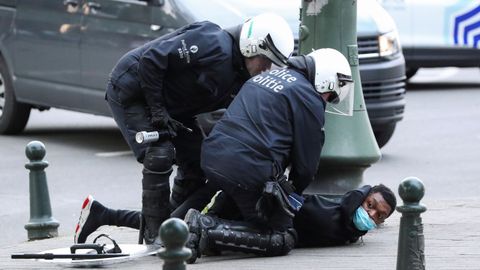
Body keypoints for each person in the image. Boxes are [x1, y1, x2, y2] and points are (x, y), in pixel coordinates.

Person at [78, 13, 295, 245]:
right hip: (134, 91)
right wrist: (158, 110)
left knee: (199, 165)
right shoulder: (212, 42)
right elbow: (152, 59)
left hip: (174, 111)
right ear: (252, 47)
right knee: (159, 153)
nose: (267, 69)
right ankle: (155, 237)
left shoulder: (241, 76)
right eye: (266, 61)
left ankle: (156, 223)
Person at [184, 48, 354, 262]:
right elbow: (306, 166)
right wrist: (291, 197)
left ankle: (201, 228)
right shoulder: (308, 97)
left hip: (214, 156)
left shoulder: (265, 77)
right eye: (331, 93)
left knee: (243, 198)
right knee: (282, 236)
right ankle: (204, 227)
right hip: (247, 168)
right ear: (324, 80)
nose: (328, 99)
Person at [73, 184, 396, 252]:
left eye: (378, 216)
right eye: (370, 204)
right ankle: (105, 213)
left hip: (249, 217)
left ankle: (105, 213)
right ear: (363, 196)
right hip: (247, 213)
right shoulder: (338, 209)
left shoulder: (349, 225)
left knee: (170, 225)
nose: (370, 214)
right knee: (175, 228)